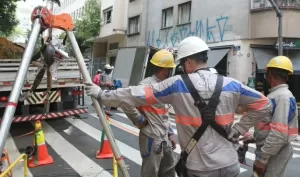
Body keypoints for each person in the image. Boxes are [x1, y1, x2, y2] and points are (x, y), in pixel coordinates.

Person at [85, 36, 272, 177]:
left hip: (200, 168)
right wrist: (239, 128)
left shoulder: (177, 84)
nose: (181, 69)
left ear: (189, 62)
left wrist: (102, 95)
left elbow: (135, 95)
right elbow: (265, 104)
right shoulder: (232, 84)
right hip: (230, 166)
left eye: (182, 64)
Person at [240, 56, 298, 177]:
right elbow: (269, 126)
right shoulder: (276, 95)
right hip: (271, 151)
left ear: (270, 74)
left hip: (274, 153)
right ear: (287, 76)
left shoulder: (282, 97)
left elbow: (279, 134)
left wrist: (263, 159)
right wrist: (254, 137)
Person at [122, 49, 177, 177]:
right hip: (151, 138)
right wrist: (140, 121)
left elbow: (163, 113)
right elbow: (127, 103)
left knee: (169, 171)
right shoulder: (146, 85)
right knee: (150, 173)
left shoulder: (164, 85)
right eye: (170, 69)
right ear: (165, 69)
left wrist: (170, 133)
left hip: (164, 138)